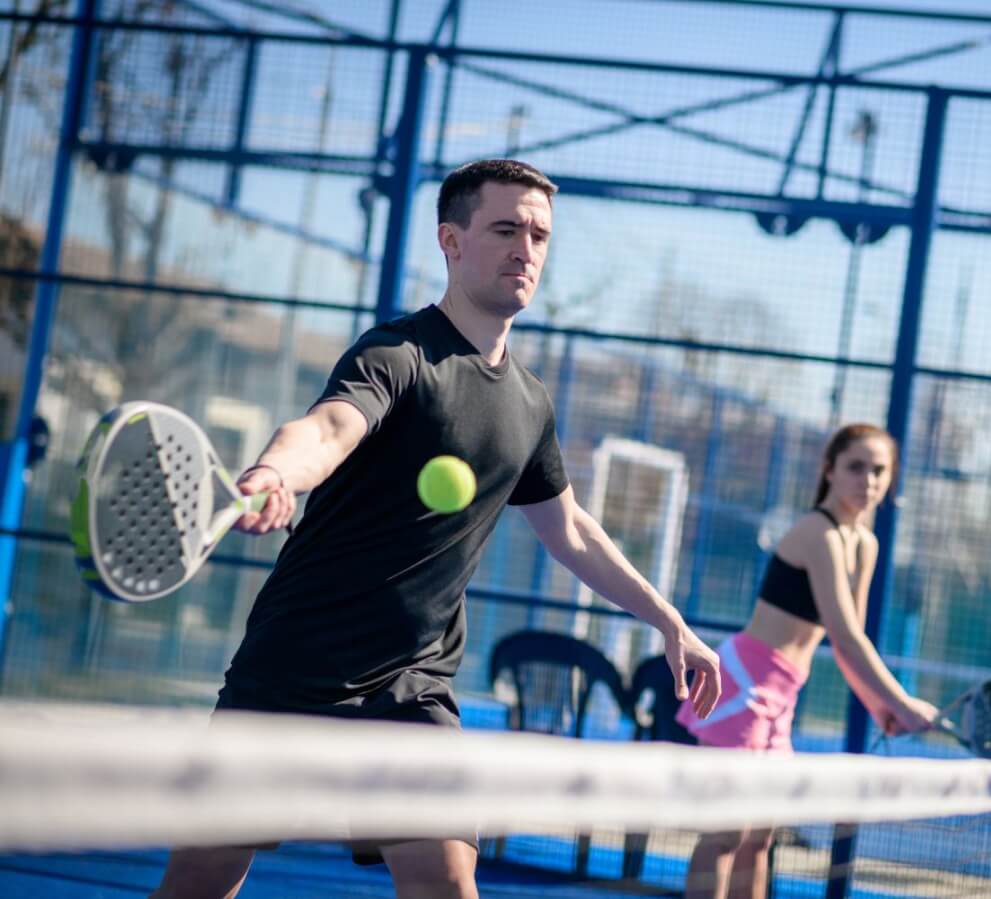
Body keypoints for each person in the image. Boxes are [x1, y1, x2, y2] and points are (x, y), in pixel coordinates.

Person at [151, 159, 721, 899]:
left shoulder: (529, 403)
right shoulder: (397, 353)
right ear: (451, 241)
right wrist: (275, 473)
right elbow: (327, 428)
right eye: (506, 228)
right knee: (198, 884)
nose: (526, 249)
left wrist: (667, 619)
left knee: (449, 878)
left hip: (411, 686)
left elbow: (570, 529)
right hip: (292, 666)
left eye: (540, 235)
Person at [675, 423, 937, 899]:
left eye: (879, 471)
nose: (868, 480)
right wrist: (902, 702)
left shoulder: (866, 544)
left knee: (760, 839)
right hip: (741, 684)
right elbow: (844, 633)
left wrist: (880, 707)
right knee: (724, 834)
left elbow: (848, 645)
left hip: (783, 693)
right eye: (856, 467)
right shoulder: (819, 532)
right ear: (830, 470)